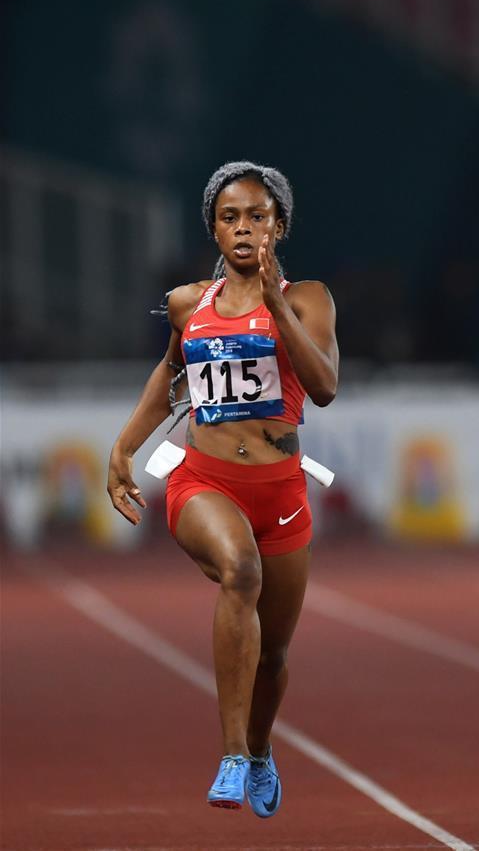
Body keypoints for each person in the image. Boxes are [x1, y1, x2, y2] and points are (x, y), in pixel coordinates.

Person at [107, 161, 339, 813]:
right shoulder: (189, 303)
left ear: (279, 227)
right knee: (240, 571)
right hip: (204, 481)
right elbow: (169, 374)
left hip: (283, 489)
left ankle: (261, 749)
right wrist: (125, 445)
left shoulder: (308, 299)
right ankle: (232, 755)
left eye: (257, 217)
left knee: (276, 652)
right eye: (230, 217)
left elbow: (323, 387)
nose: (243, 228)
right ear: (213, 228)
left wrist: (274, 306)